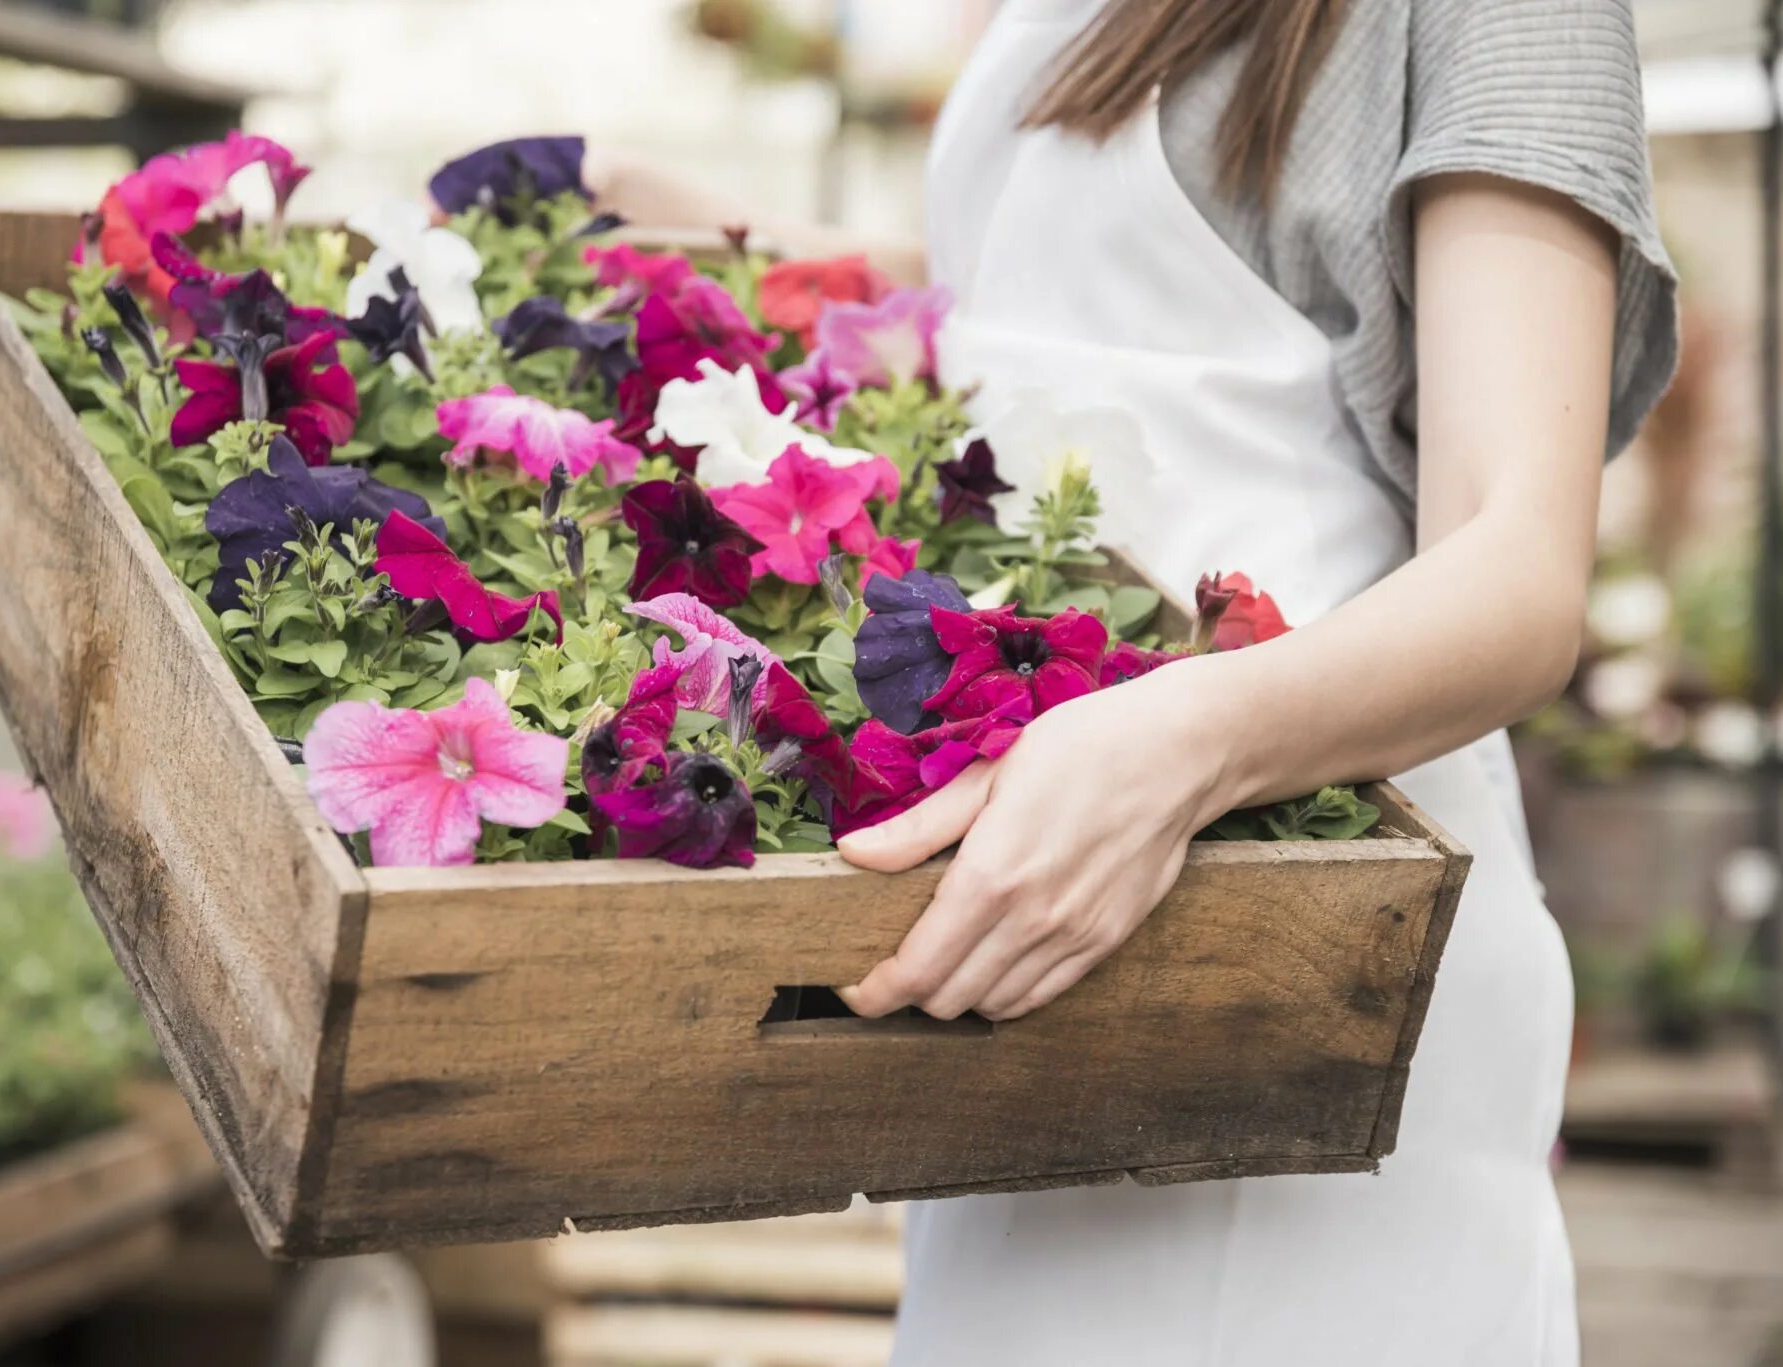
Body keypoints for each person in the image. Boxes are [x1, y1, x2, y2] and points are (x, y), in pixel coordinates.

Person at [594, 0, 1676, 1361]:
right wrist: (730, 249)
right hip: (1055, 904)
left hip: (1307, 919)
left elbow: (1514, 569)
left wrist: (1174, 749)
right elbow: (1054, 320)